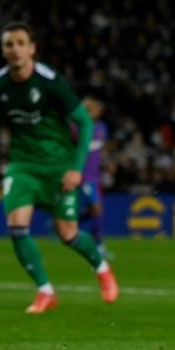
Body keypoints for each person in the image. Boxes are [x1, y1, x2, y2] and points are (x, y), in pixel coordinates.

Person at [0, 21, 119, 313]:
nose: (15, 49)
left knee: (67, 233)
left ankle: (102, 268)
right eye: (9, 44)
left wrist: (76, 169)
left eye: (20, 43)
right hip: (22, 166)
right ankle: (45, 291)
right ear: (3, 50)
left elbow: (85, 121)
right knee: (16, 226)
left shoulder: (50, 81)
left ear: (32, 48)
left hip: (58, 166)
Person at [78, 95, 110, 260]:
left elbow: (100, 151)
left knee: (95, 210)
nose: (99, 110)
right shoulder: (79, 128)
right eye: (95, 107)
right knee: (96, 208)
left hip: (96, 176)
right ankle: (98, 244)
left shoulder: (102, 128)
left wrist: (107, 164)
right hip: (84, 176)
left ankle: (68, 221)